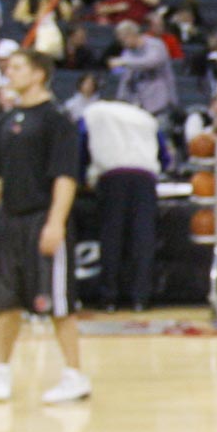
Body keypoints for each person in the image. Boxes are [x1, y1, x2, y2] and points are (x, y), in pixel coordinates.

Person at [0, 48, 88, 403]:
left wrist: (55, 223)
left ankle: (74, 375)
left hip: (43, 218)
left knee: (59, 303)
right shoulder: (7, 120)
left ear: (38, 74)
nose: (10, 73)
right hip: (10, 221)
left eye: (18, 67)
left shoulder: (57, 119)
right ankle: (1, 371)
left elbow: (66, 176)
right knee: (5, 301)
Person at [83, 95, 163, 313]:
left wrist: (83, 175)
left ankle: (109, 298)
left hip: (112, 176)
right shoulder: (146, 118)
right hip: (144, 178)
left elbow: (82, 143)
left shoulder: (94, 111)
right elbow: (163, 154)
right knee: (143, 239)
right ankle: (141, 299)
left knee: (112, 237)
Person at [108, 20, 176, 120]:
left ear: (132, 34)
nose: (122, 44)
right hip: (140, 102)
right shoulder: (127, 53)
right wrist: (120, 98)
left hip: (160, 100)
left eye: (123, 40)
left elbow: (152, 62)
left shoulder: (155, 45)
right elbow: (125, 78)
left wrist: (125, 62)